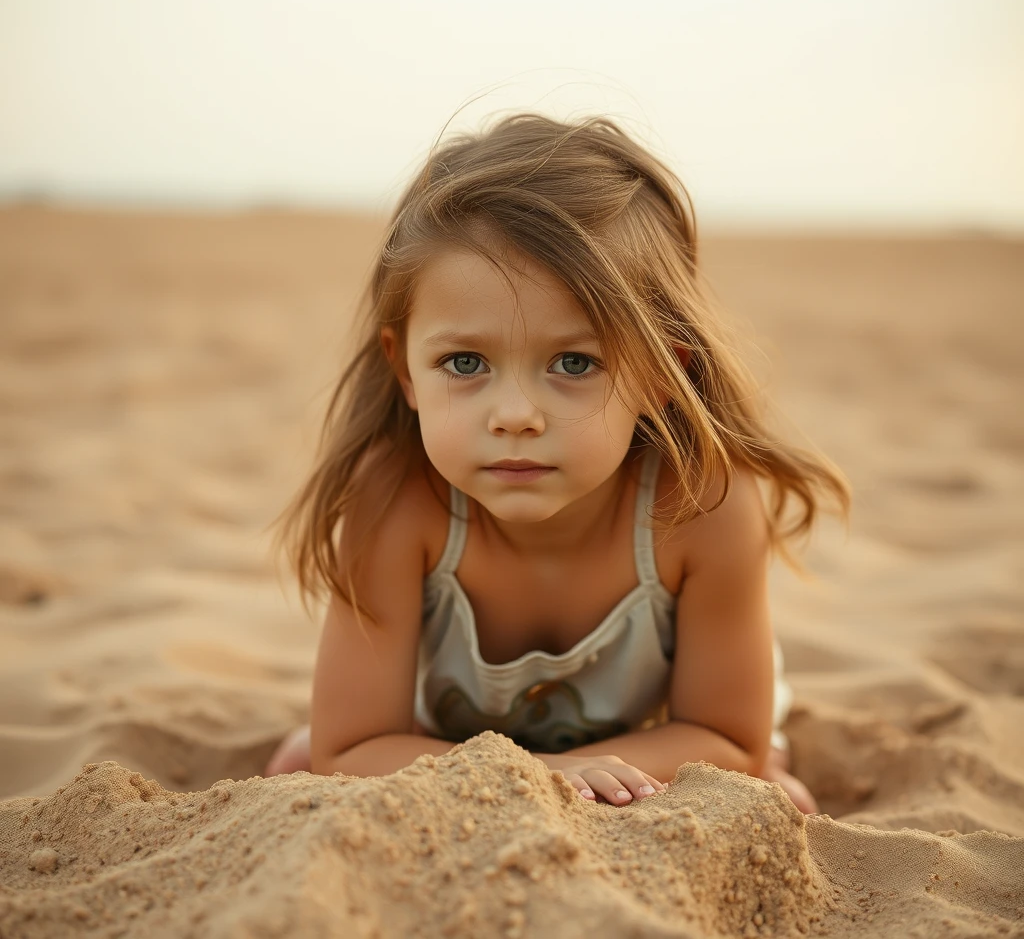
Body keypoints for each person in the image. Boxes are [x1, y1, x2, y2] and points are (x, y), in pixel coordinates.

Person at [263, 113, 849, 815]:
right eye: (465, 362)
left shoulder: (703, 504)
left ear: (661, 374)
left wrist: (577, 771)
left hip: (654, 736)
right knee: (297, 762)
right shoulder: (395, 502)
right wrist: (549, 772)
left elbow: (728, 736)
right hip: (459, 736)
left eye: (574, 363)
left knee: (779, 795)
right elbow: (348, 750)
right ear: (406, 370)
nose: (516, 414)